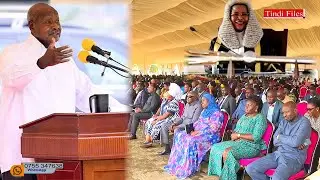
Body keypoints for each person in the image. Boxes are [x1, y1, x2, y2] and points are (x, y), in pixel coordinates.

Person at [0, 3, 127, 180]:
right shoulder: (12, 53)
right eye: (48, 21)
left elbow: (88, 93)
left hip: (58, 161)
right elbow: (11, 78)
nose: (56, 26)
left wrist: (126, 114)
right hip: (21, 162)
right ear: (32, 26)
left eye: (58, 21)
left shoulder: (66, 63)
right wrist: (41, 63)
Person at [246, 102, 311, 180]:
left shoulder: (304, 122)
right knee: (251, 168)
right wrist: (291, 141)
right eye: (283, 113)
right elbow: (275, 142)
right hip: (278, 154)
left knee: (276, 178)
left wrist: (280, 137)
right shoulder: (284, 121)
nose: (284, 115)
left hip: (293, 158)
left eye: (287, 112)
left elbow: (295, 142)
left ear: (295, 111)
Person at [164, 93, 224, 179]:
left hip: (210, 136)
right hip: (198, 132)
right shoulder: (204, 111)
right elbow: (197, 122)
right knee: (179, 135)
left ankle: (191, 166)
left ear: (209, 102)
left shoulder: (217, 113)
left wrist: (198, 132)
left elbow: (214, 129)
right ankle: (178, 163)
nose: (201, 102)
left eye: (203, 101)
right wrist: (191, 129)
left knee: (190, 140)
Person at [208, 95, 267, 180]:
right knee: (215, 147)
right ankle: (225, 172)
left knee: (228, 152)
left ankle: (230, 176)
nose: (246, 107)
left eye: (249, 105)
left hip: (252, 146)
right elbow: (236, 129)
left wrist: (239, 135)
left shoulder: (260, 118)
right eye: (246, 105)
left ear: (256, 107)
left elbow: (256, 137)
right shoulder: (244, 116)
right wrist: (234, 134)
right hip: (238, 142)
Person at [159, 91, 202, 155]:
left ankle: (177, 151)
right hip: (181, 124)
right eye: (187, 96)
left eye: (190, 97)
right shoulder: (187, 104)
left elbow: (193, 122)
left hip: (189, 127)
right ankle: (167, 147)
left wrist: (177, 126)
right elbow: (182, 118)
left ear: (195, 98)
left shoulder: (198, 106)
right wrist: (175, 123)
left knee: (177, 130)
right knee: (164, 125)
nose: (187, 98)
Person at [143, 83, 182, 148]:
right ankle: (148, 139)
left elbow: (166, 115)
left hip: (170, 119)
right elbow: (161, 107)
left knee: (156, 123)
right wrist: (156, 115)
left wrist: (157, 119)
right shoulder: (166, 100)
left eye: (169, 95)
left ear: (172, 95)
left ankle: (151, 140)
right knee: (150, 121)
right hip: (163, 116)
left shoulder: (174, 103)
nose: (167, 97)